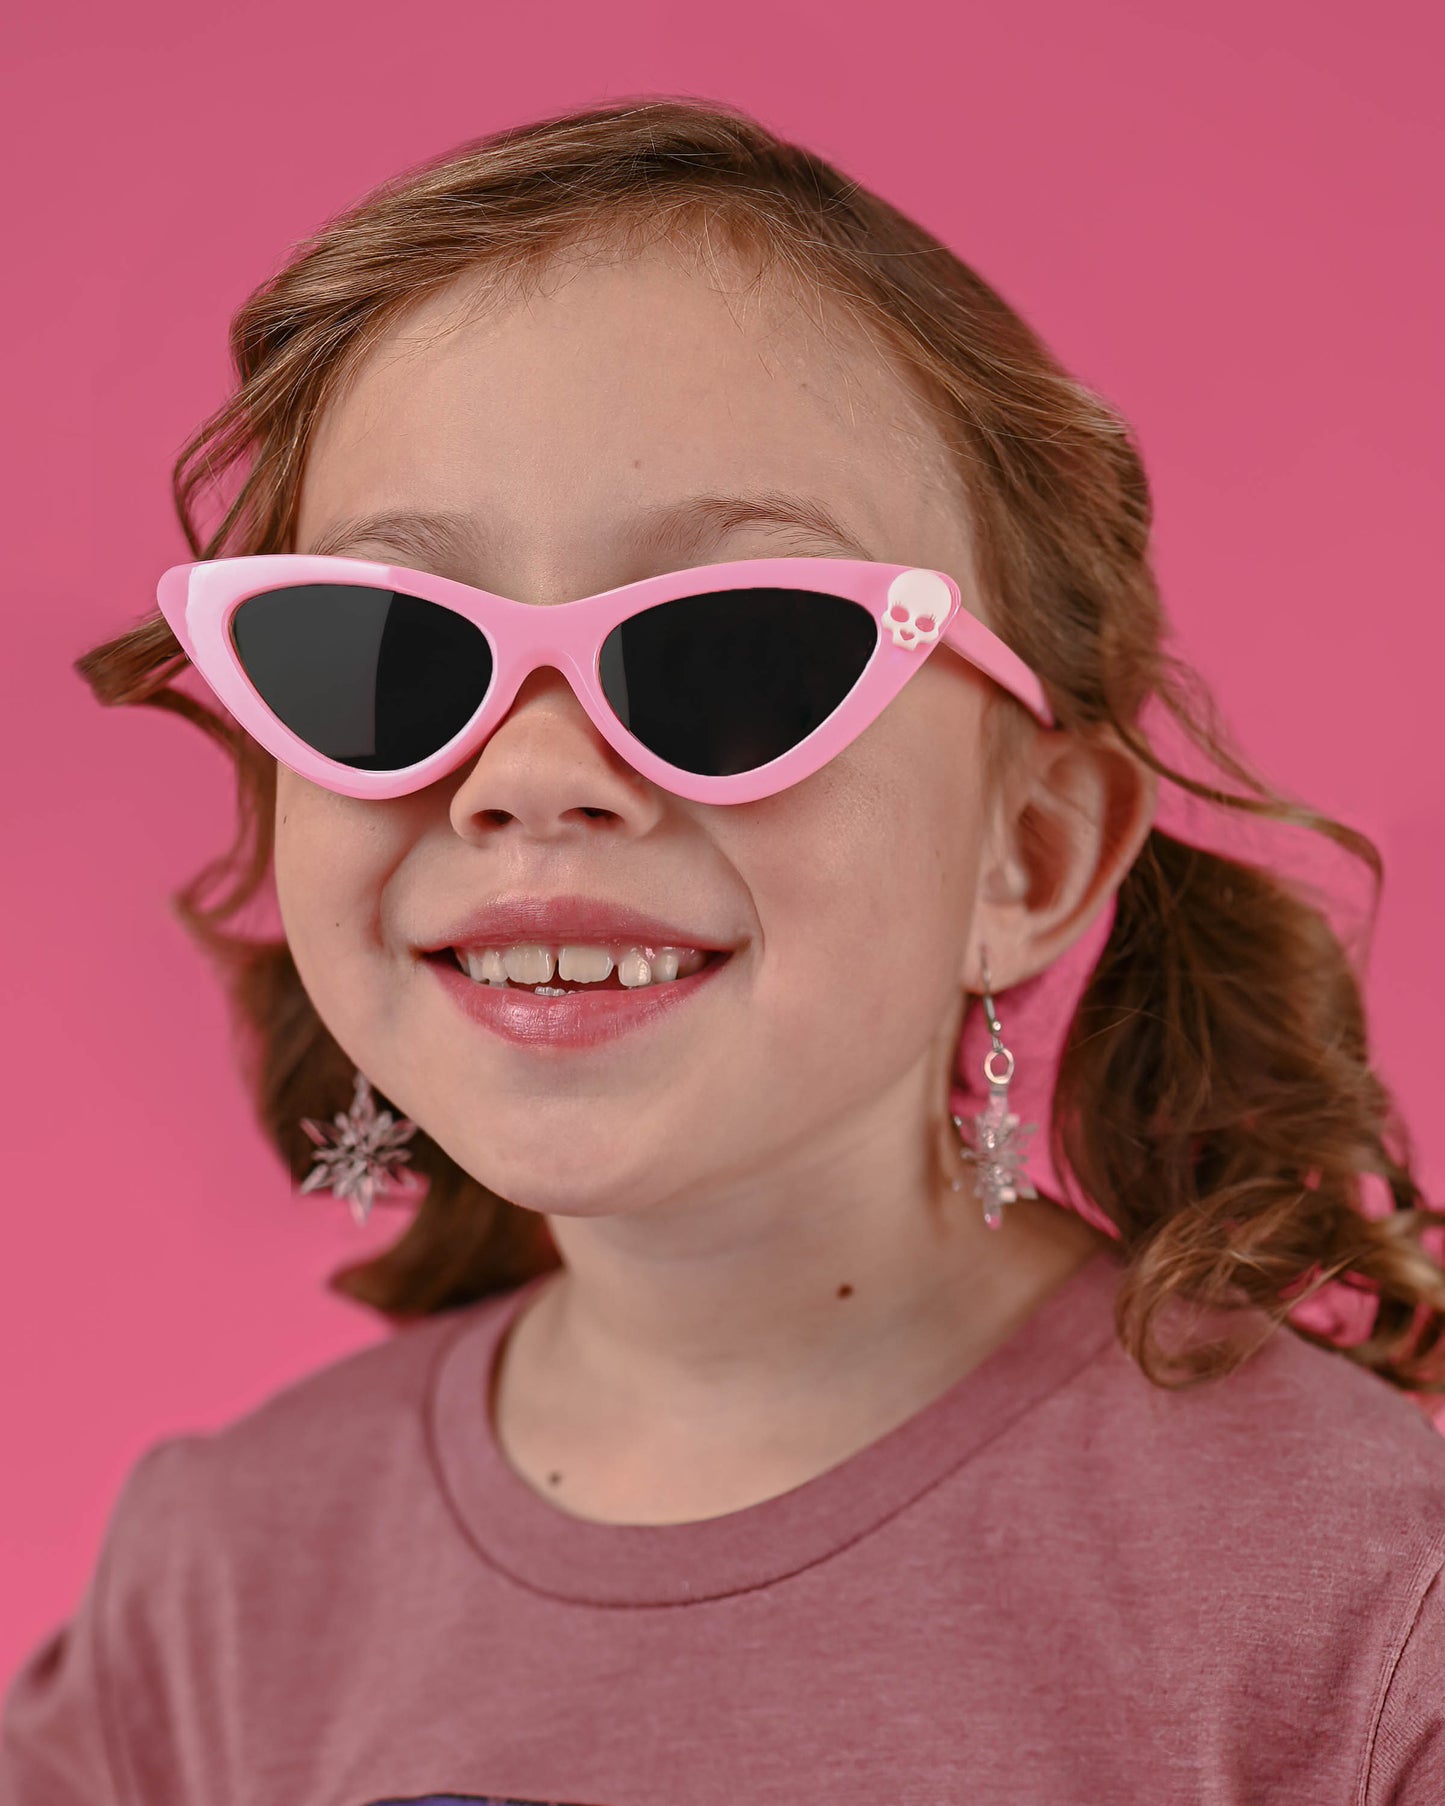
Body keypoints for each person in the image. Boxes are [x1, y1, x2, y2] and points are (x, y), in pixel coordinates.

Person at [3, 95, 1442, 1806]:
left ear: (1031, 852)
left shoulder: (1356, 1605)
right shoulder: (219, 1587)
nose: (529, 777)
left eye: (733, 653)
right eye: (386, 652)